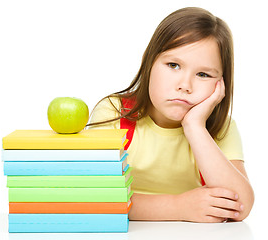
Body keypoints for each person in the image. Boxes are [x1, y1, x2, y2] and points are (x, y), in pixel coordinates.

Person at [87, 7, 254, 222]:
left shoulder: (221, 128)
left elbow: (239, 206)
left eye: (203, 74)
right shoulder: (115, 113)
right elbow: (96, 199)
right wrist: (178, 207)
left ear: (220, 84)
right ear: (149, 64)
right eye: (173, 65)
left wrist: (195, 127)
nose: (185, 85)